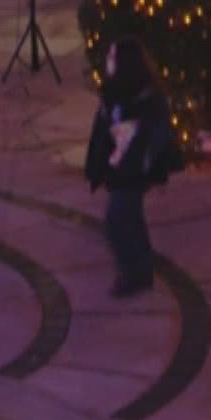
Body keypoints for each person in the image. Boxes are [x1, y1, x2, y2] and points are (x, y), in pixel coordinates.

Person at [84, 38, 181, 298]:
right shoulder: (113, 93)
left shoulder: (147, 98)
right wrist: (97, 164)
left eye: (112, 58)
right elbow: (101, 132)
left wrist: (144, 163)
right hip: (119, 167)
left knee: (116, 220)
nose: (107, 63)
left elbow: (155, 136)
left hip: (133, 169)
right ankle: (142, 269)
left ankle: (132, 271)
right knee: (132, 218)